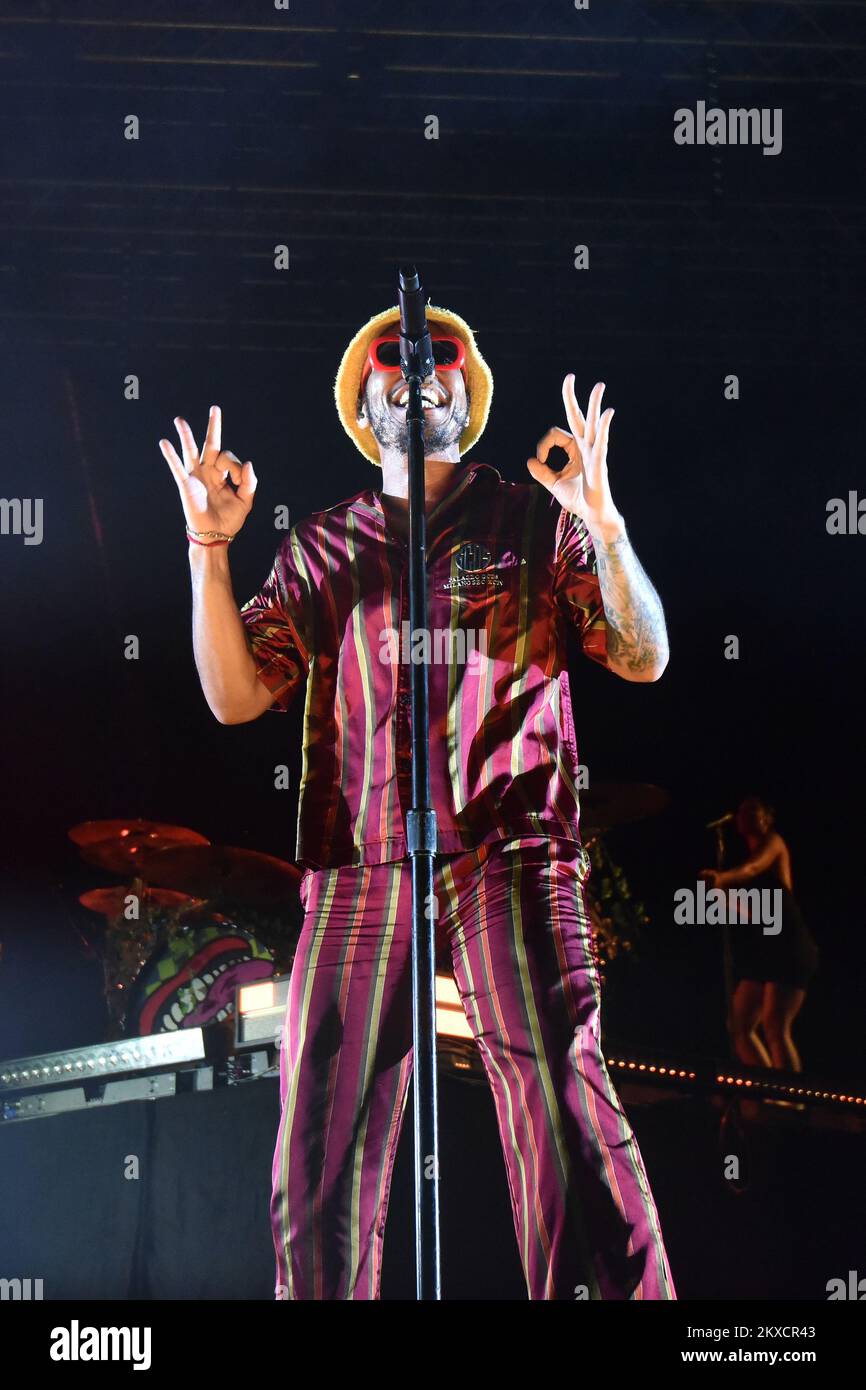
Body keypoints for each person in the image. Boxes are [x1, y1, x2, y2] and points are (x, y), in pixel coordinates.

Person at [159, 301, 676, 1300]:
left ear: (463, 391)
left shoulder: (531, 520)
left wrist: (603, 525)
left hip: (511, 847)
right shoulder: (321, 545)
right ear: (363, 403)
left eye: (437, 358)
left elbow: (642, 652)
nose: (416, 370)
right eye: (391, 362)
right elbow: (233, 696)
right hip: (357, 864)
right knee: (319, 1137)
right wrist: (205, 547)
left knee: (561, 1095)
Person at [701, 796, 818, 1072]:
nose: (744, 814)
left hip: (789, 944)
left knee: (775, 1025)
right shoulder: (747, 866)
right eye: (741, 810)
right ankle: (767, 1090)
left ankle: (791, 1103)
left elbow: (751, 868)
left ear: (767, 817)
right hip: (767, 948)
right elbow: (755, 913)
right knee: (739, 1025)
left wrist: (722, 879)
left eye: (753, 809)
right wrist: (719, 896)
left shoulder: (773, 844)